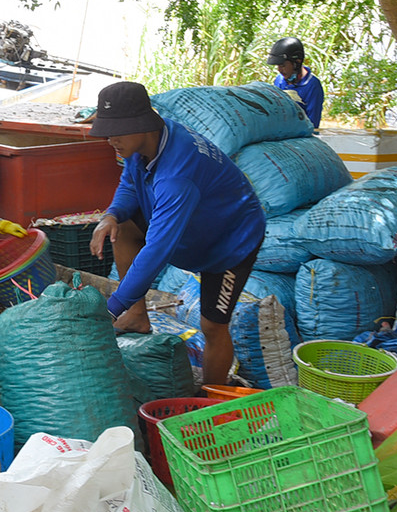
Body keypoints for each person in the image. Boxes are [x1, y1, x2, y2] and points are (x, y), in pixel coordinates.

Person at [88, 81, 266, 388]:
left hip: (229, 242)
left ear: (143, 124)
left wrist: (109, 310)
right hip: (195, 226)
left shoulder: (177, 176)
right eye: (107, 130)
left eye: (117, 130)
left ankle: (211, 397)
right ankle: (137, 316)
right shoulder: (146, 142)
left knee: (213, 325)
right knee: (123, 228)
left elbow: (157, 251)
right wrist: (111, 215)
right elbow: (130, 184)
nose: (110, 139)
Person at [267, 36, 324, 128]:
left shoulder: (312, 86)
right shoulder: (279, 80)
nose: (279, 70)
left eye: (283, 65)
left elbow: (312, 123)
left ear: (297, 62)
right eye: (278, 66)